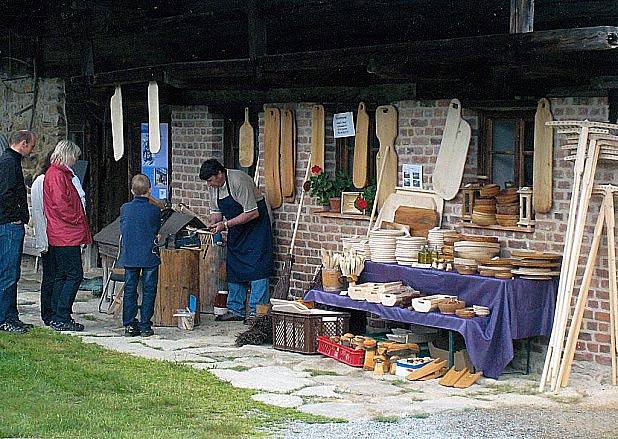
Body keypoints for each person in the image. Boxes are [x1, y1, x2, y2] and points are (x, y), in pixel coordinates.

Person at [199, 159, 273, 324]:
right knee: (234, 265)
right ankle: (235, 309)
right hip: (237, 227)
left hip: (256, 226)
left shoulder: (238, 181)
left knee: (257, 266)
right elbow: (216, 212)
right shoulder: (213, 187)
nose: (209, 184)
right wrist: (214, 224)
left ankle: (257, 311)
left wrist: (225, 224)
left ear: (220, 173)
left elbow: (252, 212)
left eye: (211, 180)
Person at [44, 140, 92, 332]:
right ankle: (61, 315)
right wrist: (78, 219)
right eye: (75, 156)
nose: (76, 160)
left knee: (62, 276)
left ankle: (58, 314)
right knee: (73, 275)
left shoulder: (58, 173)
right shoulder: (57, 175)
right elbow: (61, 205)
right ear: (68, 155)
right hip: (65, 234)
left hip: (61, 233)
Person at [0, 130, 36, 333]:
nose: (32, 150)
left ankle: (11, 316)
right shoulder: (7, 163)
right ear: (23, 143)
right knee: (8, 273)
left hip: (11, 223)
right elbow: (5, 196)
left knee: (12, 273)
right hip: (8, 225)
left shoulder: (10, 161)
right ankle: (4, 318)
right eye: (31, 146)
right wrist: (20, 215)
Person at [118, 174, 161, 337]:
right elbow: (155, 228)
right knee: (149, 290)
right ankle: (145, 325)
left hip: (130, 255)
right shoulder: (154, 210)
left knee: (130, 290)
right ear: (149, 190)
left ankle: (129, 324)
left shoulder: (125, 208)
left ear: (131, 191)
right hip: (149, 255)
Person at [30, 151, 55, 326]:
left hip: (53, 233)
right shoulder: (42, 181)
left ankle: (51, 310)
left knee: (53, 275)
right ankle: (48, 312)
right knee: (50, 276)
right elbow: (39, 212)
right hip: (48, 233)